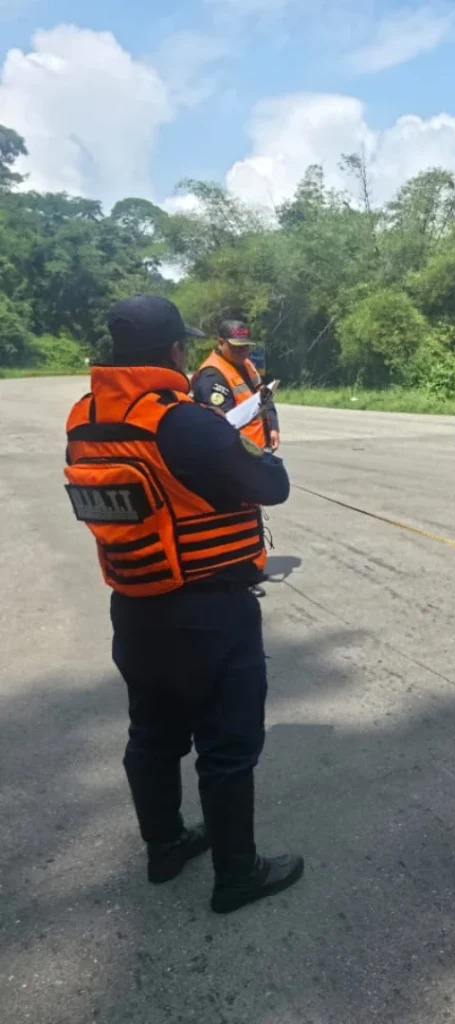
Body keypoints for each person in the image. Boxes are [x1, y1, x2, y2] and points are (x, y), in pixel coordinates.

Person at [64, 295, 303, 914]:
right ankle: (237, 874)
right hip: (208, 610)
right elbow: (272, 484)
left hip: (134, 605)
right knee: (227, 747)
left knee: (152, 734)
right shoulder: (184, 422)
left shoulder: (83, 419)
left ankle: (165, 846)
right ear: (175, 351)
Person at [192, 319, 280, 453]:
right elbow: (222, 425)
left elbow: (265, 396)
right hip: (238, 452)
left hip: (259, 447)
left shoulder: (247, 364)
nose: (243, 352)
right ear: (221, 343)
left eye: (246, 346)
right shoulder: (212, 375)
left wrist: (273, 427)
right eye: (237, 347)